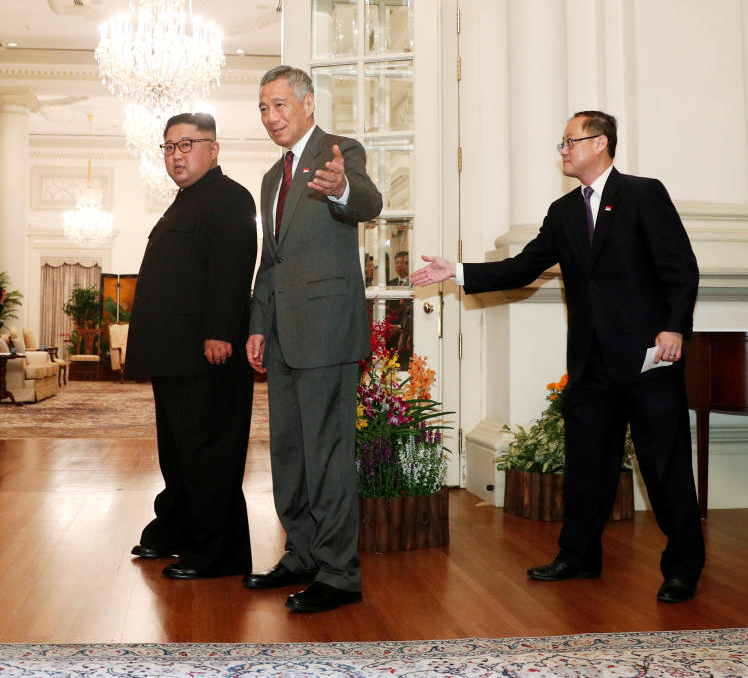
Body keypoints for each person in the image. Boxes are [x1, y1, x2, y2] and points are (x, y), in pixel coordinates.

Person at [411, 111, 704, 603]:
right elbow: (524, 265)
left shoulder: (642, 193)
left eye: (571, 141)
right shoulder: (564, 211)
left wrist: (674, 327)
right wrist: (457, 270)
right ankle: (579, 556)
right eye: (562, 143)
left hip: (649, 357)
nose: (562, 150)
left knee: (665, 466)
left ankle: (682, 568)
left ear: (601, 143)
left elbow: (681, 267)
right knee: (587, 465)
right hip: (592, 364)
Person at [244, 65, 383, 613]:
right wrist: (258, 323)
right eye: (262, 108)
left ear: (307, 104)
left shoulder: (339, 150)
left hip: (325, 331)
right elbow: (269, 260)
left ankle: (339, 574)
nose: (270, 117)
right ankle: (300, 554)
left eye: (279, 105)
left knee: (327, 455)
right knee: (290, 454)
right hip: (280, 334)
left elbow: (367, 202)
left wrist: (343, 187)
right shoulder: (271, 178)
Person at [124, 112, 258, 580]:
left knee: (208, 455)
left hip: (208, 354)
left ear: (213, 149)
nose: (176, 155)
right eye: (169, 147)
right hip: (175, 355)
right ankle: (177, 530)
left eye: (187, 145)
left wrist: (220, 331)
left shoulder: (230, 197)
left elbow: (232, 270)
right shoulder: (186, 201)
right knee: (178, 454)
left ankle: (219, 554)